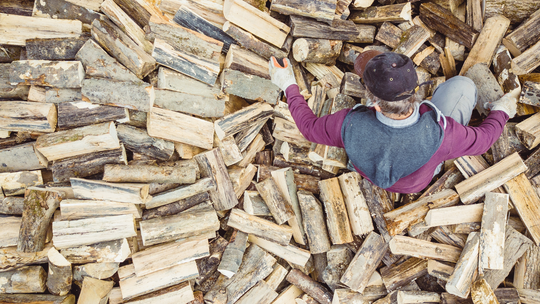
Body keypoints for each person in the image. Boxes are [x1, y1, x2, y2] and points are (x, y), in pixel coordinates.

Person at [268, 51, 519, 193]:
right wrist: (502, 111)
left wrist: (288, 84)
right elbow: (485, 140)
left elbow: (309, 128)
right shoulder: (441, 134)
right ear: (416, 91)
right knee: (463, 86)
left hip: (369, 171)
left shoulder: (347, 125)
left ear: (373, 103)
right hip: (416, 183)